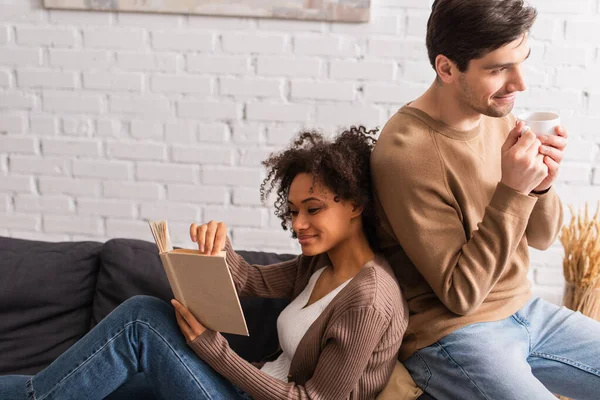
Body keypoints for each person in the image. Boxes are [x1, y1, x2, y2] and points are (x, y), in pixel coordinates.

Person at [0, 126, 408, 400]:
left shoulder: (368, 300)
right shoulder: (320, 263)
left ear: (355, 204)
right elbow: (250, 280)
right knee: (103, 381)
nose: (298, 224)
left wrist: (216, 352)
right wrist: (220, 248)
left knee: (142, 319)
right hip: (245, 386)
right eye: (293, 211)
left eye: (312, 209)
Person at [370, 0, 600, 399]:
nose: (519, 84)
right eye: (498, 70)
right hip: (453, 334)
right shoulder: (406, 153)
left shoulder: (500, 118)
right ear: (446, 68)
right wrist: (512, 190)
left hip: (526, 309)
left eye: (521, 62)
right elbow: (461, 295)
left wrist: (541, 181)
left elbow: (543, 237)